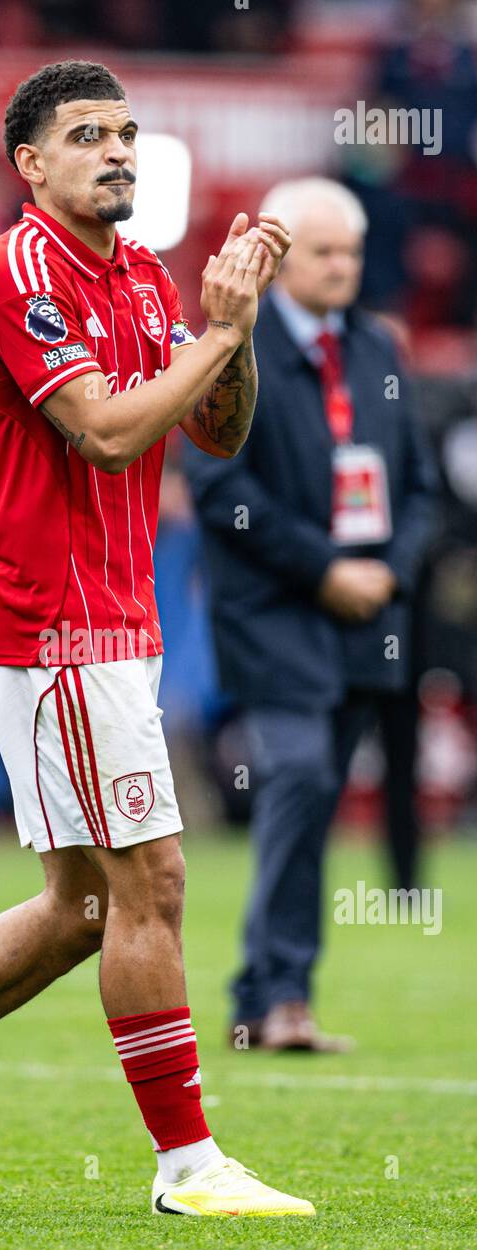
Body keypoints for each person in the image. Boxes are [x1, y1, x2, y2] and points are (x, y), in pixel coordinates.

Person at [0, 60, 315, 1219]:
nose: (120, 150)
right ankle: (188, 1167)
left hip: (116, 623)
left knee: (85, 907)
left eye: (129, 131)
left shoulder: (139, 273)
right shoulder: (16, 272)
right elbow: (110, 436)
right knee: (155, 880)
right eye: (89, 134)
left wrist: (228, 335)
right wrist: (215, 339)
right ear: (31, 164)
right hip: (58, 629)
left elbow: (216, 431)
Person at [183, 178, 438, 1053]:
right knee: (295, 773)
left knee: (318, 791)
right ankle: (281, 994)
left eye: (352, 252)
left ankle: (265, 993)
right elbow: (219, 488)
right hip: (275, 611)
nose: (342, 268)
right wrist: (325, 567)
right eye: (323, 252)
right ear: (282, 259)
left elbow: (420, 489)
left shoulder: (378, 350)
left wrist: (386, 576)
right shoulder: (230, 348)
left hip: (367, 616)